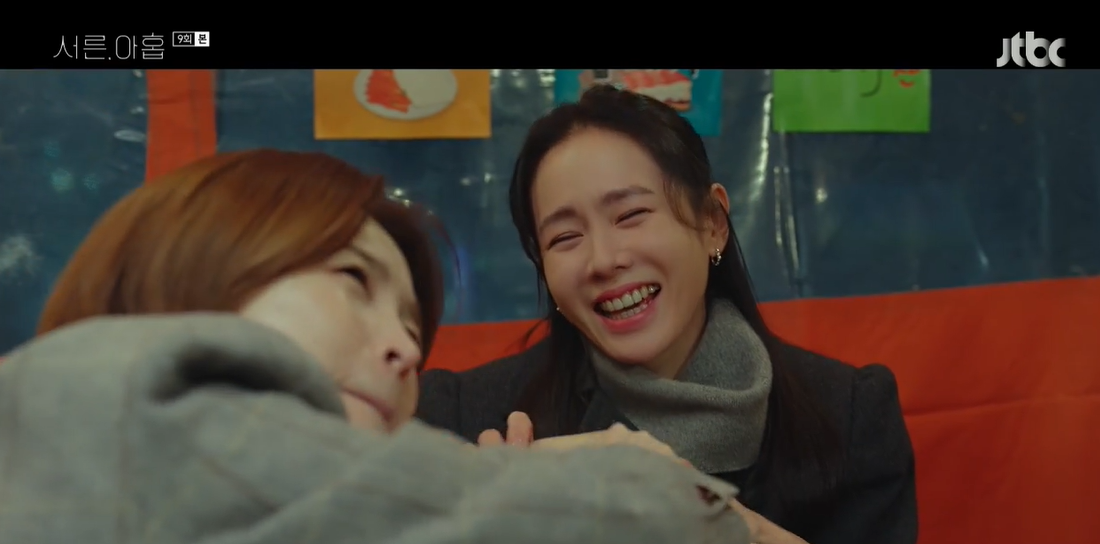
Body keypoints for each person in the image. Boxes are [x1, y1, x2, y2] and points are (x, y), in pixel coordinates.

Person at [0, 149, 752, 544]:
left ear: (714, 224)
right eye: (353, 280)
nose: (403, 350)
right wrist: (647, 486)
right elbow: (655, 521)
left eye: (414, 327)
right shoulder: (94, 394)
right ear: (194, 268)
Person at [417, 86, 918, 543]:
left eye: (631, 215)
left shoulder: (849, 418)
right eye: (565, 237)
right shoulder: (463, 422)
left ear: (713, 222)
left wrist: (723, 521)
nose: (603, 260)